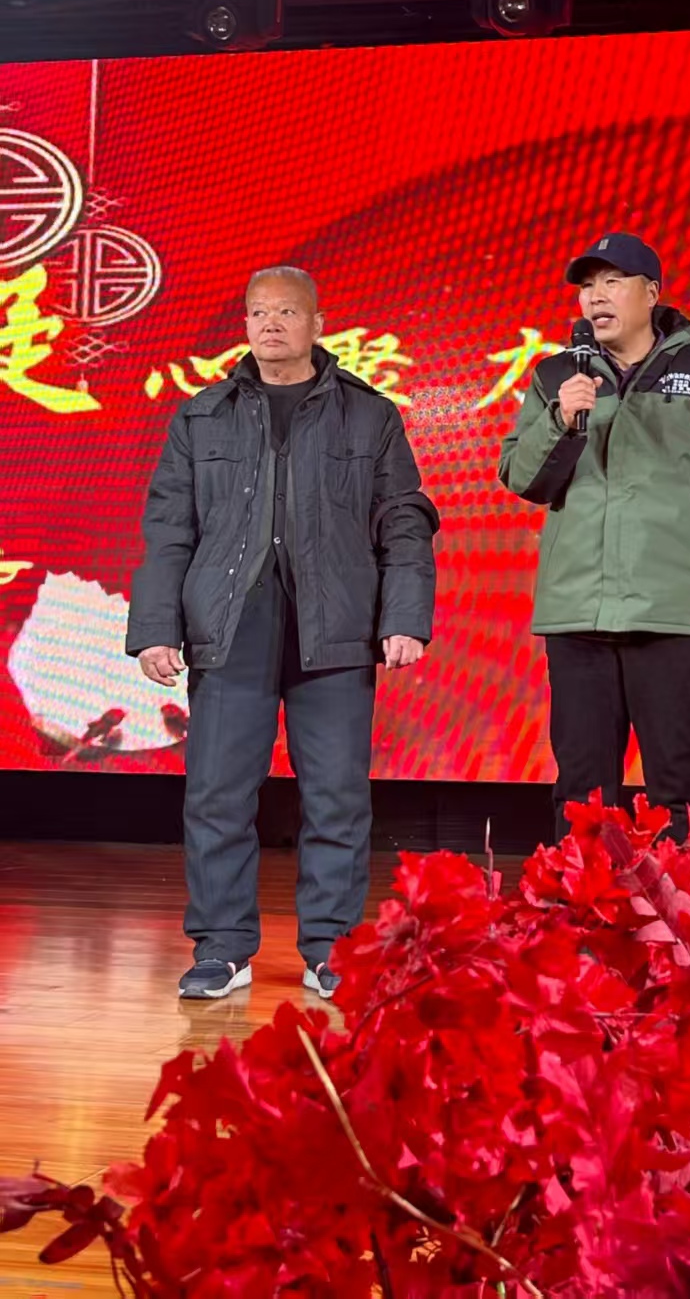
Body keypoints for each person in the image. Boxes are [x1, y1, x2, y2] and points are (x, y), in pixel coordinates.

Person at [127, 267, 438, 1000]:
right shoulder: (202, 415)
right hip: (229, 625)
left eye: (287, 312)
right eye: (258, 312)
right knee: (217, 794)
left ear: (317, 323)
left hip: (336, 627)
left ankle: (331, 947)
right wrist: (155, 629)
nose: (270, 323)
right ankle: (222, 948)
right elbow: (169, 528)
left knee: (336, 796)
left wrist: (403, 617)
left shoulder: (369, 415)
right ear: (245, 324)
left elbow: (404, 519)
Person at [499, 233, 690, 841]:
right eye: (586, 286)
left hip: (674, 614)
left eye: (612, 282)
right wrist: (560, 420)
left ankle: (687, 904)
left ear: (651, 294)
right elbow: (522, 478)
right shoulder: (556, 377)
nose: (595, 297)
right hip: (578, 612)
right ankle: (582, 903)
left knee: (680, 786)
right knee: (581, 792)